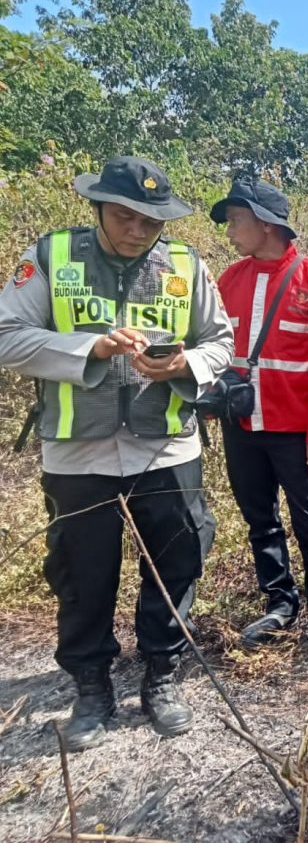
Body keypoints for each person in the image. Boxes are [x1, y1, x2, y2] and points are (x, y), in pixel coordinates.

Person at [0, 156, 234, 750]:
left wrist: (186, 364)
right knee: (82, 574)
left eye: (151, 222)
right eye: (125, 216)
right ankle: (91, 686)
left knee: (177, 564)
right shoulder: (52, 256)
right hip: (79, 454)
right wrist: (92, 349)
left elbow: (220, 340)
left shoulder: (184, 264)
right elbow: (7, 335)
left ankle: (162, 675)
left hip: (168, 448)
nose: (137, 230)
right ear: (98, 208)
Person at [210, 179, 308, 666]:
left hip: (296, 434)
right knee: (260, 521)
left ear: (265, 222)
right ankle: (279, 605)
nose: (230, 231)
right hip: (241, 429)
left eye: (236, 220)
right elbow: (214, 351)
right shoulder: (227, 281)